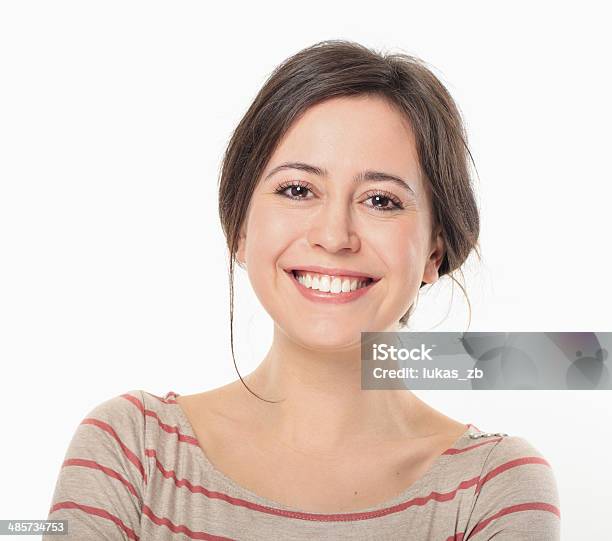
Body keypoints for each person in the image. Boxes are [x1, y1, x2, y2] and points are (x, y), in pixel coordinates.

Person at [45, 39, 561, 540]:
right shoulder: (131, 449)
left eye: (380, 200)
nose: (334, 236)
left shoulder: (495, 488)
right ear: (240, 230)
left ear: (433, 251)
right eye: (297, 190)